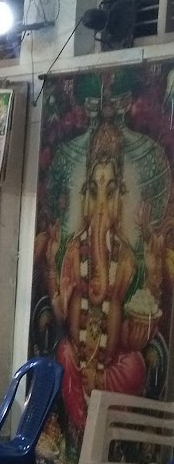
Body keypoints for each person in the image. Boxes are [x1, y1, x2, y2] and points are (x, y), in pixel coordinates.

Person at [38, 117, 147, 438]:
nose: (101, 205)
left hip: (110, 360)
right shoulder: (74, 250)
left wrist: (119, 348)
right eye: (95, 192)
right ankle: (78, 428)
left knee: (135, 366)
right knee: (64, 355)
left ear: (119, 200)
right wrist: (85, 361)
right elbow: (67, 312)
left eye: (110, 193)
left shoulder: (125, 257)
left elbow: (120, 314)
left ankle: (103, 432)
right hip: (80, 352)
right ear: (85, 199)